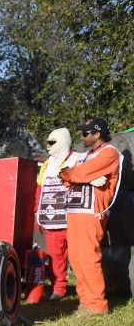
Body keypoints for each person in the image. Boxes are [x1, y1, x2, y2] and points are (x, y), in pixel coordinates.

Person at [59, 118, 122, 315]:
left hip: (92, 212)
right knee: (76, 259)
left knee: (88, 257)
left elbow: (80, 173)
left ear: (97, 134)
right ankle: (85, 301)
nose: (82, 136)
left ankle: (97, 305)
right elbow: (65, 175)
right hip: (76, 210)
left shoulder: (109, 153)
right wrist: (71, 174)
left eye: (86, 133)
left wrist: (74, 174)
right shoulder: (85, 155)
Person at [35, 128, 80, 301]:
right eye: (47, 142)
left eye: (52, 142)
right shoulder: (47, 164)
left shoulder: (78, 159)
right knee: (55, 257)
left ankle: (85, 292)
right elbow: (40, 190)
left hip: (74, 218)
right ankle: (59, 289)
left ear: (63, 141)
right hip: (51, 218)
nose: (48, 146)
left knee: (78, 257)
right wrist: (37, 213)